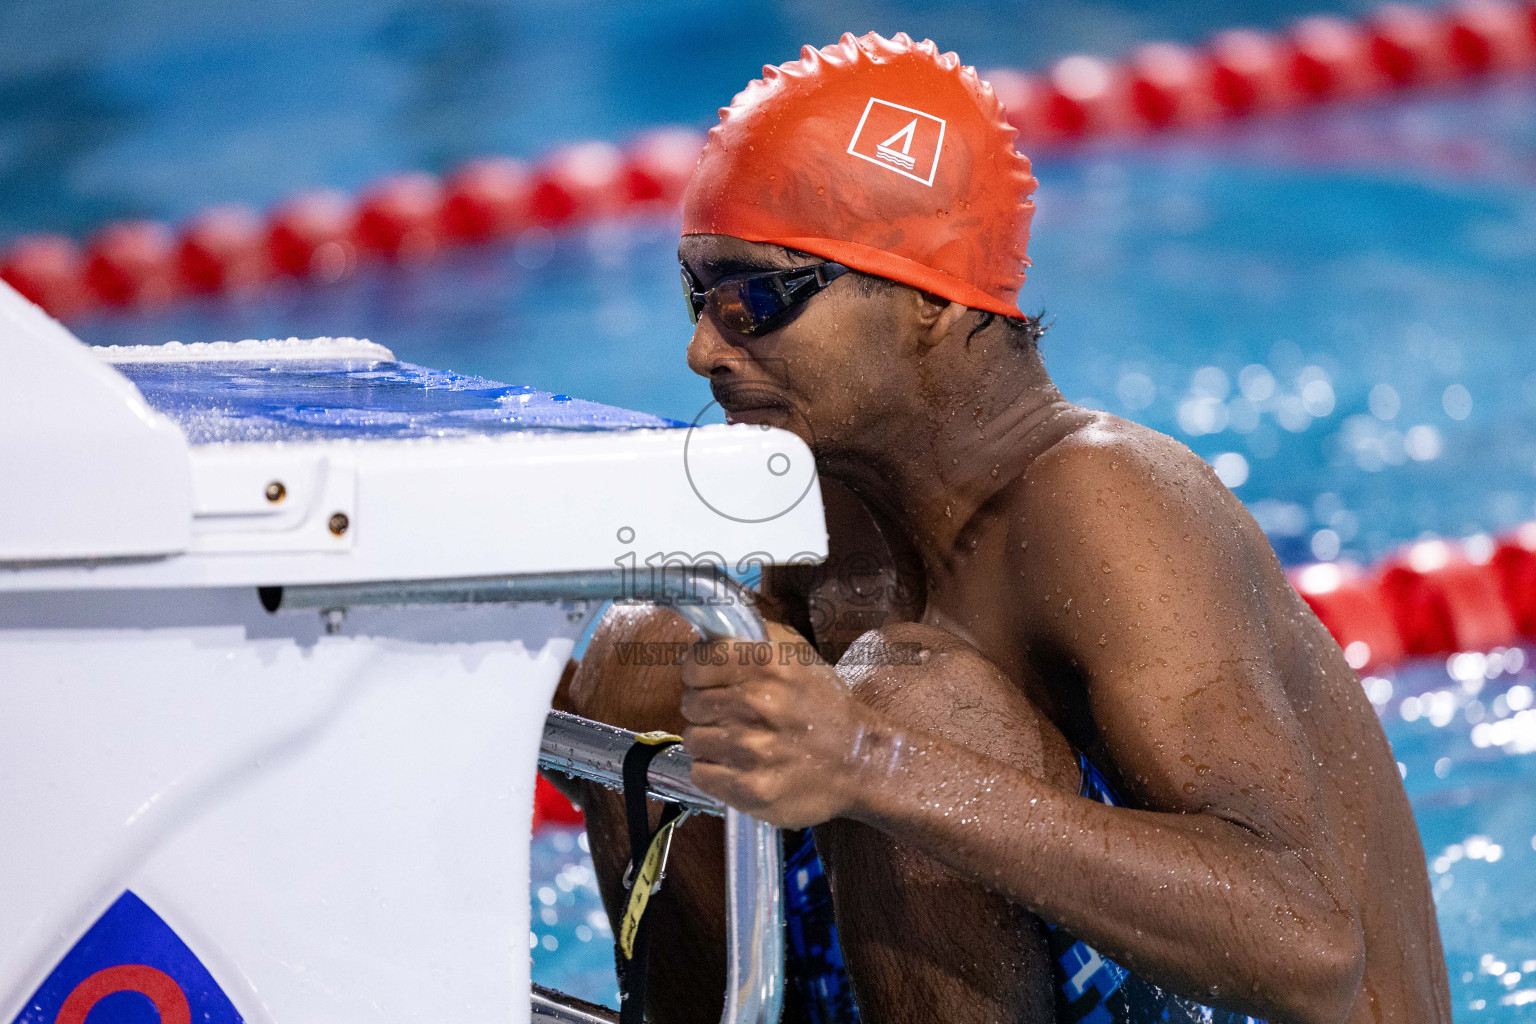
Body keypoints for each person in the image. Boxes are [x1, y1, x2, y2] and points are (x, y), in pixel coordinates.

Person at [552, 30, 1451, 1024]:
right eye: (698, 294)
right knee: (658, 649)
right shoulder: (838, 490)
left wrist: (870, 759)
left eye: (753, 300)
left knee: (912, 704)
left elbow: (1311, 942)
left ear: (929, 297)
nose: (699, 350)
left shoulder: (1106, 505)